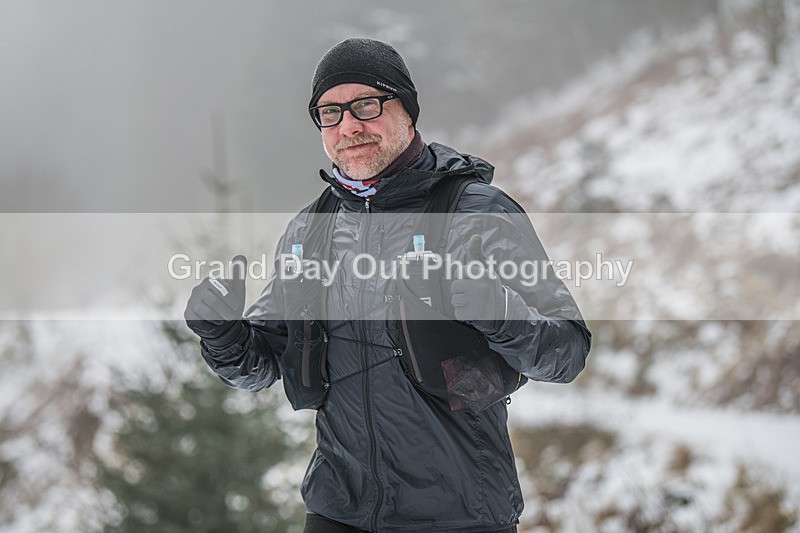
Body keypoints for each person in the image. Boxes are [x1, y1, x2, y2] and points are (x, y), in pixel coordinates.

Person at [185, 38, 591, 533]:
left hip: (460, 515)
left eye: (366, 105)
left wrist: (501, 311)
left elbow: (567, 353)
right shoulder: (311, 230)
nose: (348, 126)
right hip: (339, 511)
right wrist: (224, 336)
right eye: (329, 113)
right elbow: (264, 365)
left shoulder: (477, 214)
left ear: (407, 110)